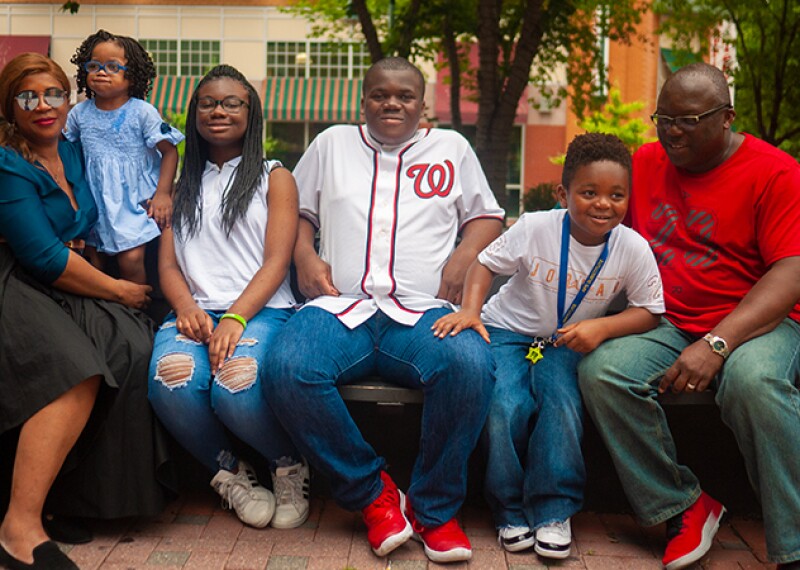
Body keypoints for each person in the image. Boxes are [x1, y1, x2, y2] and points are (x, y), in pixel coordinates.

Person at [263, 57, 504, 563]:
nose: (391, 103)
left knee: (470, 365)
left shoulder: (451, 148)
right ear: (363, 99)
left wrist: (464, 256)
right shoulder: (331, 143)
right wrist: (304, 256)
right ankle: (374, 497)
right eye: (379, 94)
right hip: (340, 306)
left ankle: (434, 512)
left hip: (420, 314)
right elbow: (297, 215)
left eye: (404, 95)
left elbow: (486, 218)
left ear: (423, 104)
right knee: (287, 368)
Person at [577, 62, 800, 570]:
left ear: (726, 118)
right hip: (669, 320)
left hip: (757, 322)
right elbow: (611, 241)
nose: (672, 131)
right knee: (603, 372)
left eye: (688, 120)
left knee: (755, 382)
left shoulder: (776, 173)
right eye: (664, 117)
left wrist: (718, 344)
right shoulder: (647, 163)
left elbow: (790, 273)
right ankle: (683, 506)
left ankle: (794, 545)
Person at [432, 133, 665, 558]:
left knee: (561, 405)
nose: (603, 204)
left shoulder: (631, 247)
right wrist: (470, 310)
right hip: (505, 332)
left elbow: (650, 310)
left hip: (565, 342)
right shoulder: (537, 226)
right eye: (589, 192)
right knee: (505, 405)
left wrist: (603, 328)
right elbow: (484, 264)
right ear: (563, 193)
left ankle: (554, 510)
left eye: (616, 195)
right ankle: (508, 509)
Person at [0, 53, 173, 570]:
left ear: (68, 98)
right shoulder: (8, 164)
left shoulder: (74, 152)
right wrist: (120, 291)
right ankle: (18, 528)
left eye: (53, 93)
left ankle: (69, 500)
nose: (44, 106)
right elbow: (41, 255)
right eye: (28, 97)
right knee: (75, 370)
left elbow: (107, 200)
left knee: (135, 346)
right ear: (10, 108)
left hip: (67, 276)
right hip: (16, 280)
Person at [147, 64, 309, 530]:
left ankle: (289, 465)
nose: (218, 111)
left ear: (250, 112)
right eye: (207, 103)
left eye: (231, 103)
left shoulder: (275, 177)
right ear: (195, 113)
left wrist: (235, 319)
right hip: (195, 310)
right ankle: (232, 475)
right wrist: (186, 308)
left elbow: (277, 263)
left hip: (261, 311)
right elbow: (169, 267)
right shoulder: (180, 187)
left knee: (236, 386)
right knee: (170, 380)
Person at [65, 29, 183, 284]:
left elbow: (169, 151)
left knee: (130, 260)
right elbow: (67, 150)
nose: (101, 72)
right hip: (95, 200)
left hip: (134, 200)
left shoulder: (142, 112)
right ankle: (104, 313)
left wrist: (163, 194)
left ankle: (137, 310)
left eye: (112, 67)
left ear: (132, 76)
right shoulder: (79, 114)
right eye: (94, 65)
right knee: (94, 260)